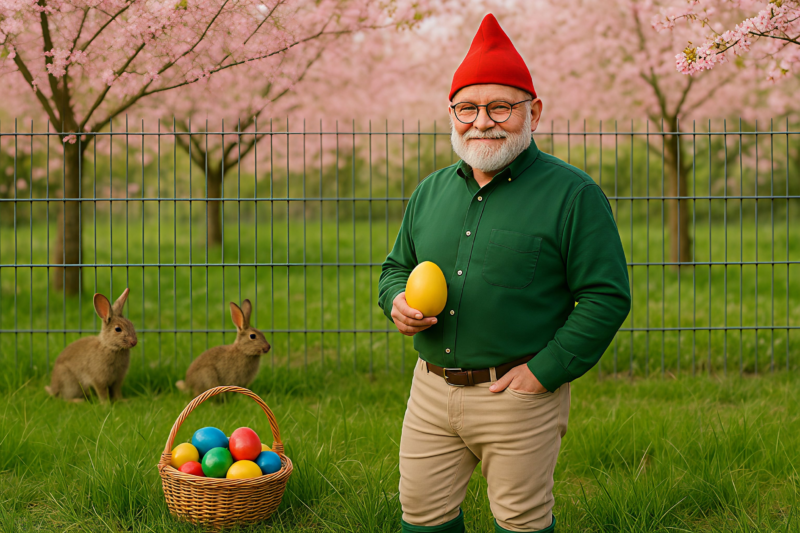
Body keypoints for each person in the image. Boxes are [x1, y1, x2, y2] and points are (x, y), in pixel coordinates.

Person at [377, 13, 632, 533]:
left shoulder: (573, 195)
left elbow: (606, 296)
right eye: (466, 108)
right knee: (421, 515)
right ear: (451, 113)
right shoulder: (430, 192)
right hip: (430, 389)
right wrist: (395, 301)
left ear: (533, 111)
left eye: (500, 107)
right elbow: (395, 268)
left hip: (518, 394)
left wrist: (544, 373)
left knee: (520, 520)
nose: (482, 121)